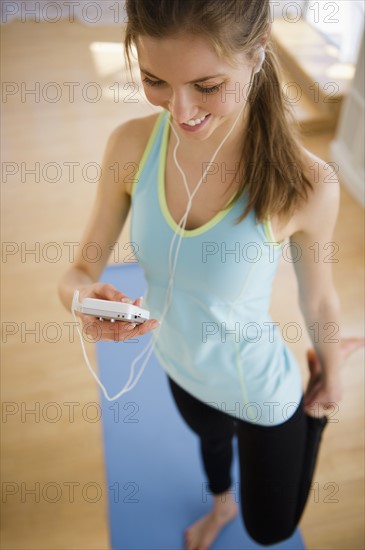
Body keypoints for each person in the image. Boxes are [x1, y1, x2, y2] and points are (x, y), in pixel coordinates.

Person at [58, 1, 362, 548]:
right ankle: (221, 504)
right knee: (212, 446)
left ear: (259, 47)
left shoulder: (308, 184)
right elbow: (80, 270)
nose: (180, 111)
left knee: (271, 530)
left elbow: (318, 303)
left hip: (262, 389)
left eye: (206, 84)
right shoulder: (130, 147)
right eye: (155, 80)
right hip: (176, 362)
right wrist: (82, 300)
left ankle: (308, 421)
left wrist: (331, 385)